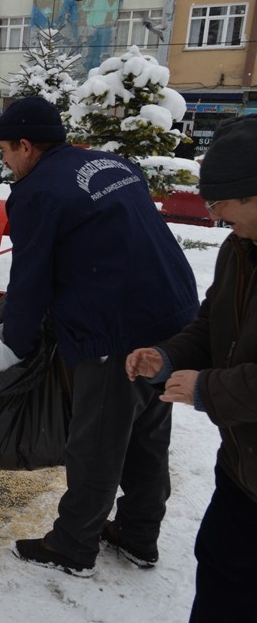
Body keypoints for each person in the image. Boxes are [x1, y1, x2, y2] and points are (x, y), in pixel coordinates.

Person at [0, 97, 199, 577]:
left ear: (26, 146)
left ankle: (72, 546)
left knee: (98, 441)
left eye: (5, 150)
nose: (4, 161)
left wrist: (14, 349)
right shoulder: (110, 162)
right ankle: (138, 534)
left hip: (118, 327)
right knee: (148, 430)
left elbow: (30, 279)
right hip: (175, 311)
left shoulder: (37, 191)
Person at [126, 114, 257, 621]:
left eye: (223, 200)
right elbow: (211, 324)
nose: (215, 213)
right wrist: (170, 355)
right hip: (242, 469)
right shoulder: (239, 249)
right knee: (222, 571)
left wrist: (209, 389)